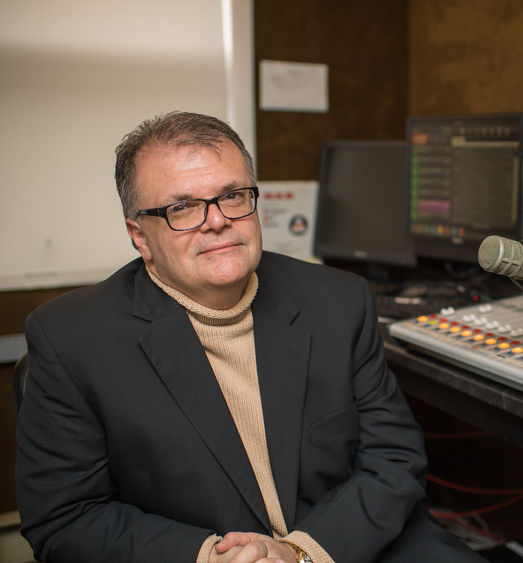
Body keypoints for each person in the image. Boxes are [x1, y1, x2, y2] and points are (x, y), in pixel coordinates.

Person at [15, 111, 487, 563]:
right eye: (182, 207)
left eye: (233, 196)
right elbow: (65, 519)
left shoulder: (338, 302)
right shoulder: (71, 338)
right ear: (139, 235)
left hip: (350, 543)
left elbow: (394, 459)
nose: (217, 219)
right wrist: (211, 558)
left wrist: (303, 553)